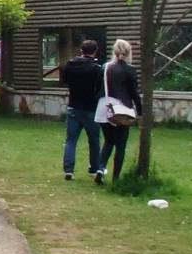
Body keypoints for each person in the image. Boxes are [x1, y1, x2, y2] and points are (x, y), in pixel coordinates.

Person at [96, 38, 143, 185]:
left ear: (114, 52)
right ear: (129, 52)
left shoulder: (104, 67)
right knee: (121, 144)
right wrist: (140, 112)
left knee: (108, 141)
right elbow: (134, 93)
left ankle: (101, 168)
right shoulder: (129, 69)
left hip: (104, 106)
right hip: (121, 108)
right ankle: (116, 178)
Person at [59, 39, 104, 181]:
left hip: (74, 105)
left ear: (81, 51)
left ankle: (69, 170)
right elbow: (100, 87)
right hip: (91, 108)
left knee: (71, 140)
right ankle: (94, 168)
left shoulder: (70, 65)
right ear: (95, 51)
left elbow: (65, 80)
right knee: (94, 140)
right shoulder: (97, 68)